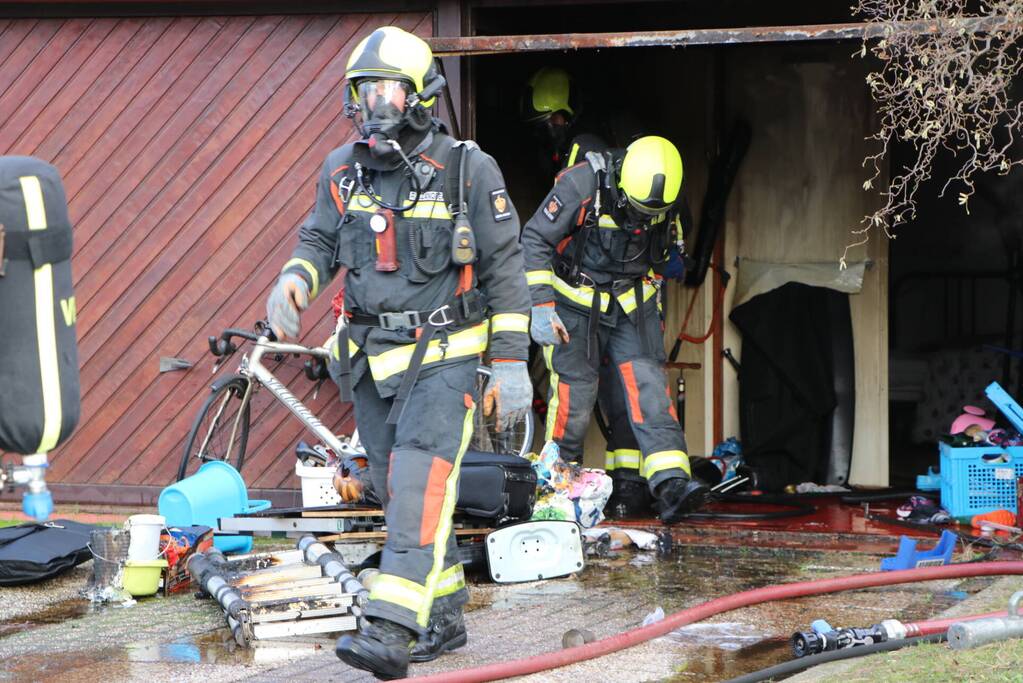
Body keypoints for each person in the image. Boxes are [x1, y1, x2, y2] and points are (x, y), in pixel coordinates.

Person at [265, 26, 532, 680]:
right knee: (396, 489)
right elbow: (318, 240)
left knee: (417, 485)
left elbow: (505, 268)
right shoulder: (340, 168)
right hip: (367, 361)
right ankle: (440, 616)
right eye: (363, 90)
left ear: (419, 96)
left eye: (387, 89)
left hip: (443, 356)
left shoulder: (469, 169)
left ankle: (390, 627)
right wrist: (294, 279)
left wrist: (510, 359)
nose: (374, 103)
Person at [521, 135, 708, 524]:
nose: (642, 220)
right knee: (575, 397)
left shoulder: (668, 201)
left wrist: (659, 281)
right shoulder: (581, 185)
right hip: (574, 303)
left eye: (649, 214)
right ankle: (558, 486)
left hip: (631, 304)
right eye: (636, 211)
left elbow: (669, 250)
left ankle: (672, 484)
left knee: (650, 391)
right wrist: (541, 306)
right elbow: (534, 239)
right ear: (620, 184)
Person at [522, 67, 672, 517]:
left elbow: (554, 233)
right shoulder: (602, 152)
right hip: (584, 309)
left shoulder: (585, 160)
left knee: (614, 395)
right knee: (586, 396)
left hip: (609, 307)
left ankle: (603, 487)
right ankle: (584, 487)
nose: (551, 130)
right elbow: (542, 237)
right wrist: (543, 305)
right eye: (545, 123)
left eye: (553, 121)